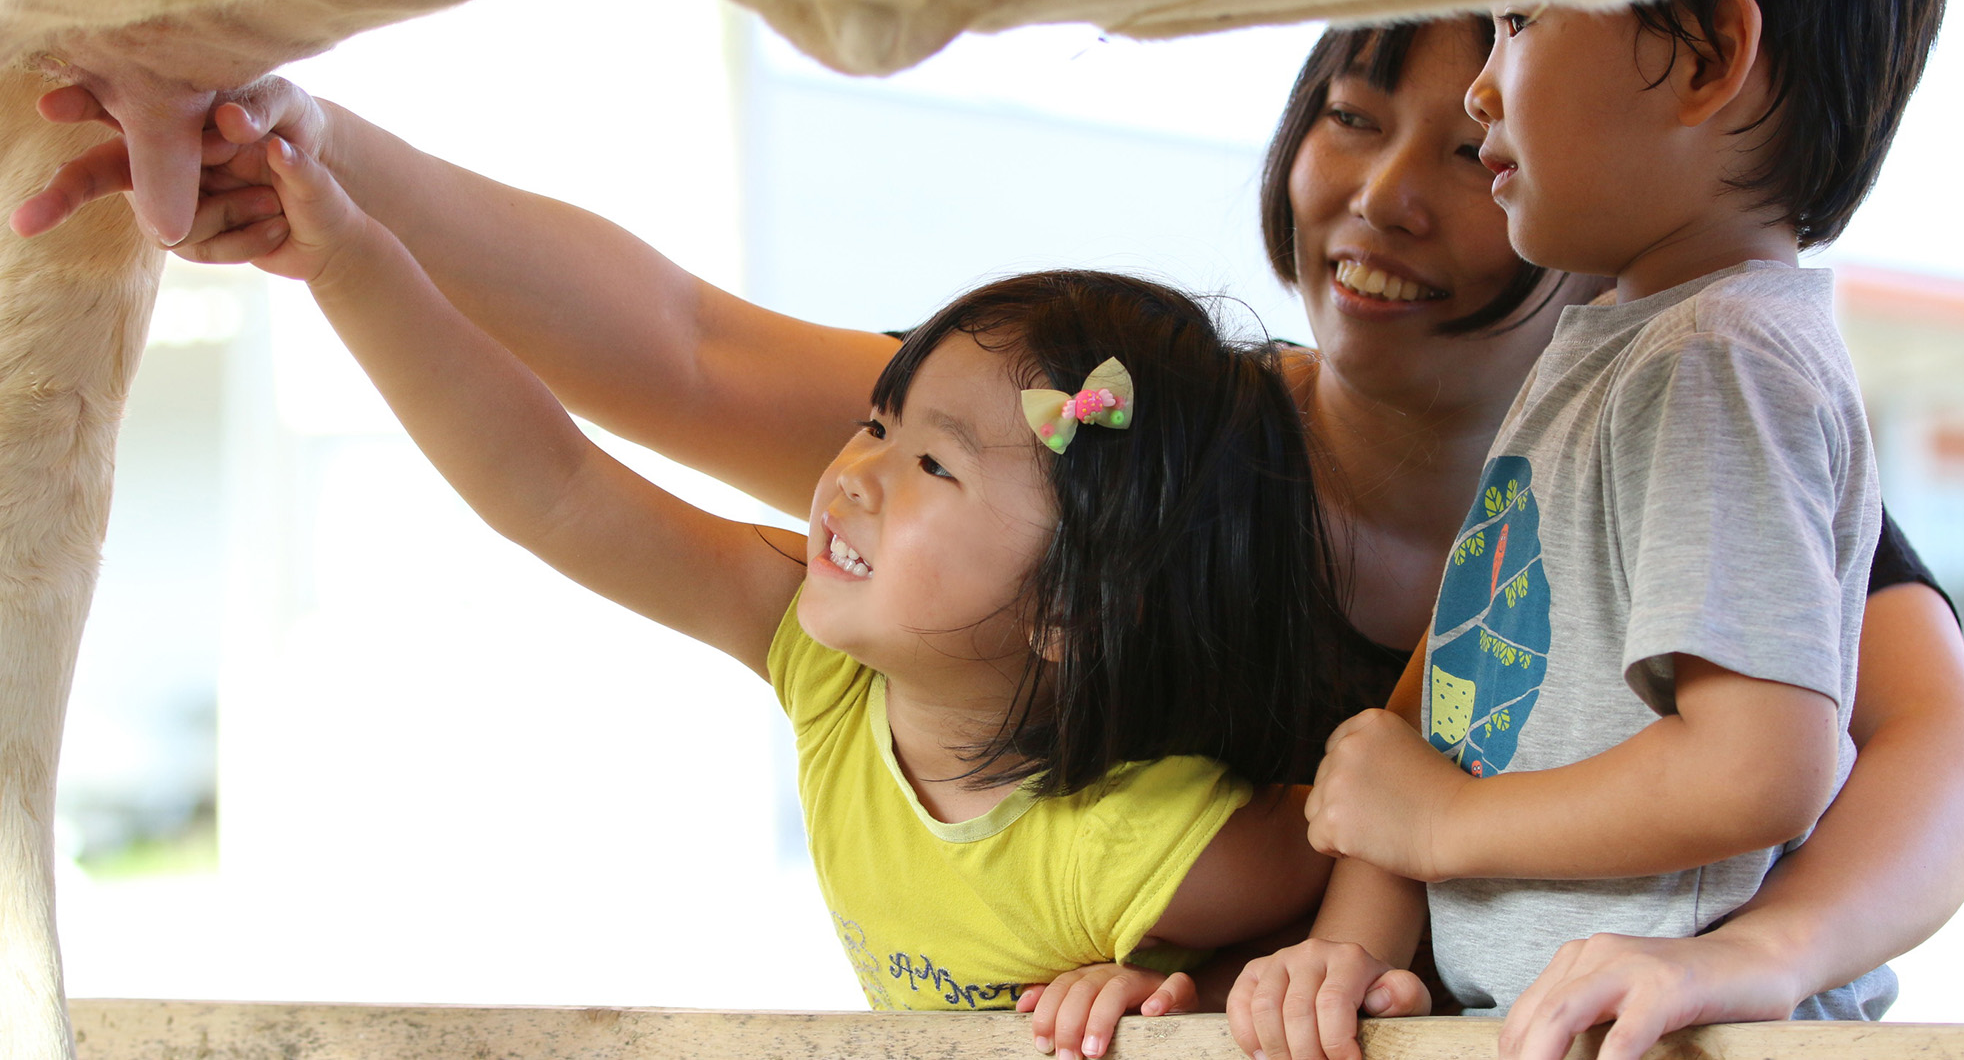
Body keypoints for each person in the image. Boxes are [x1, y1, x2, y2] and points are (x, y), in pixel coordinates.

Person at [13, 0, 1964, 1060]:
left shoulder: (1668, 432)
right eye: (1346, 104)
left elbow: (1931, 745)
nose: (1392, 184)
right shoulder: (1125, 438)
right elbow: (683, 349)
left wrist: (1767, 948)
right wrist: (316, 157)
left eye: (1472, 101)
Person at [222, 135, 1358, 1015]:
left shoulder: (1149, 849)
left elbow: (1366, 842)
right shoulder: (826, 671)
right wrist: (346, 263)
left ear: (1075, 606)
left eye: (930, 464)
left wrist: (1202, 993)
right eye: (876, 422)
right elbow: (553, 488)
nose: (853, 475)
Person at [1242, 0, 1955, 1057]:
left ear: (1707, 58)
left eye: (1519, 20)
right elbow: (1448, 717)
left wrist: (1446, 826)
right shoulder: (1621, 358)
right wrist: (1352, 941)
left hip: (1682, 1033)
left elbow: (1759, 764)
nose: (1483, 88)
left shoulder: (1717, 365)